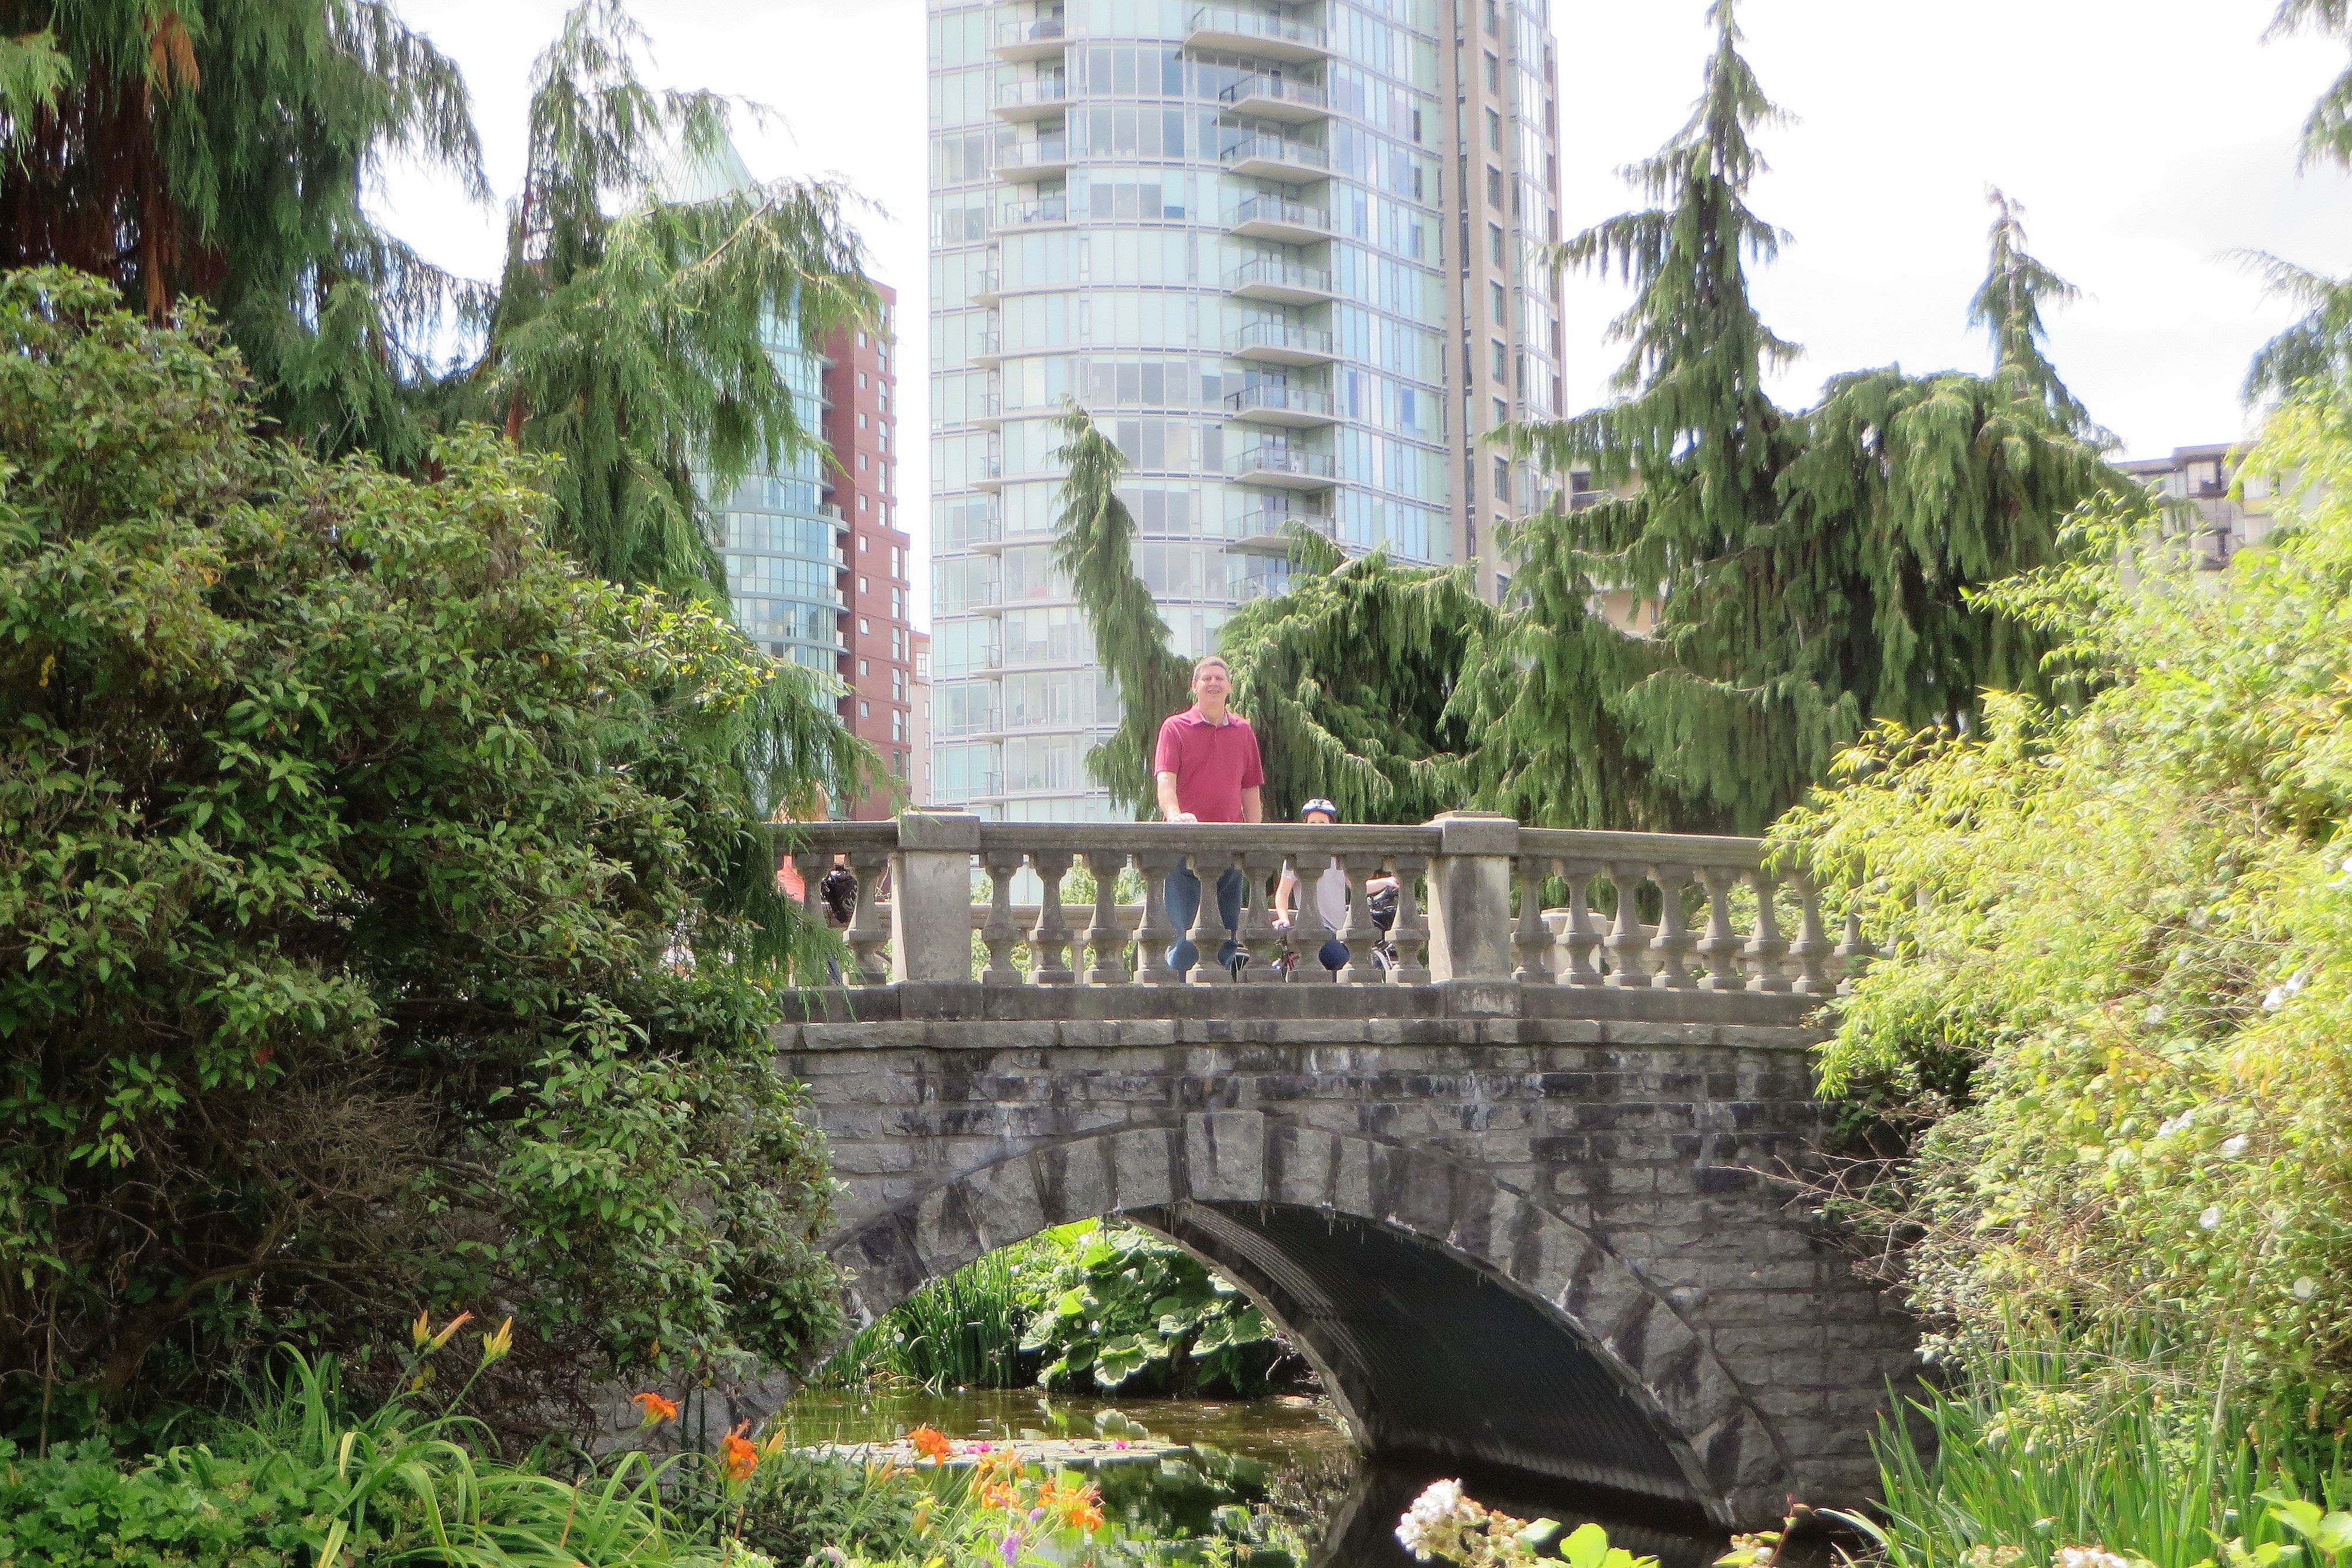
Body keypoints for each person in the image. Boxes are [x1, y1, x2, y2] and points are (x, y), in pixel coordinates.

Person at [1155, 655, 1263, 976]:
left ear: (1230, 687)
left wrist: (1255, 836)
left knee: (1227, 934)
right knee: (1185, 934)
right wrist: (1175, 815)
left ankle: (1217, 991)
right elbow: (1165, 779)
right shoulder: (1175, 727)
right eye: (1206, 678)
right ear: (1195, 686)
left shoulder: (1243, 730)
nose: (1213, 683)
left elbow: (1250, 789)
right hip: (1183, 846)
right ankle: (1177, 995)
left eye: (1219, 678)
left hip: (1230, 845)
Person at [1272, 799, 1402, 974]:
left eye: (1322, 823)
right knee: (1348, 968)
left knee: (1345, 973)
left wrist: (1386, 882)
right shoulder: (1296, 859)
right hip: (1316, 929)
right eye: (1312, 823)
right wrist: (1284, 918)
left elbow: (1357, 886)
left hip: (1340, 931)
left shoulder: (1340, 859)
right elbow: (1282, 893)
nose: (1317, 828)